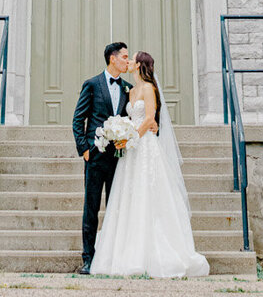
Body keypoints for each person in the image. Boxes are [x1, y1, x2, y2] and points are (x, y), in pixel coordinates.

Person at [89, 48, 209, 278]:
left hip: (144, 148)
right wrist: (121, 133)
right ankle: (125, 253)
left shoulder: (148, 89)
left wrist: (129, 136)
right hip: (130, 152)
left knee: (148, 195)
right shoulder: (130, 90)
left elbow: (150, 119)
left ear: (140, 65)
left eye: (133, 59)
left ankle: (153, 254)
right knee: (128, 197)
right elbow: (128, 118)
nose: (130, 61)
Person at [72, 40, 131, 274]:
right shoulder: (92, 84)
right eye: (124, 57)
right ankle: (88, 258)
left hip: (120, 158)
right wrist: (84, 148)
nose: (127, 61)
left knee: (117, 208)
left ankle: (114, 257)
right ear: (112, 59)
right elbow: (78, 118)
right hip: (95, 157)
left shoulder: (128, 88)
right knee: (91, 208)